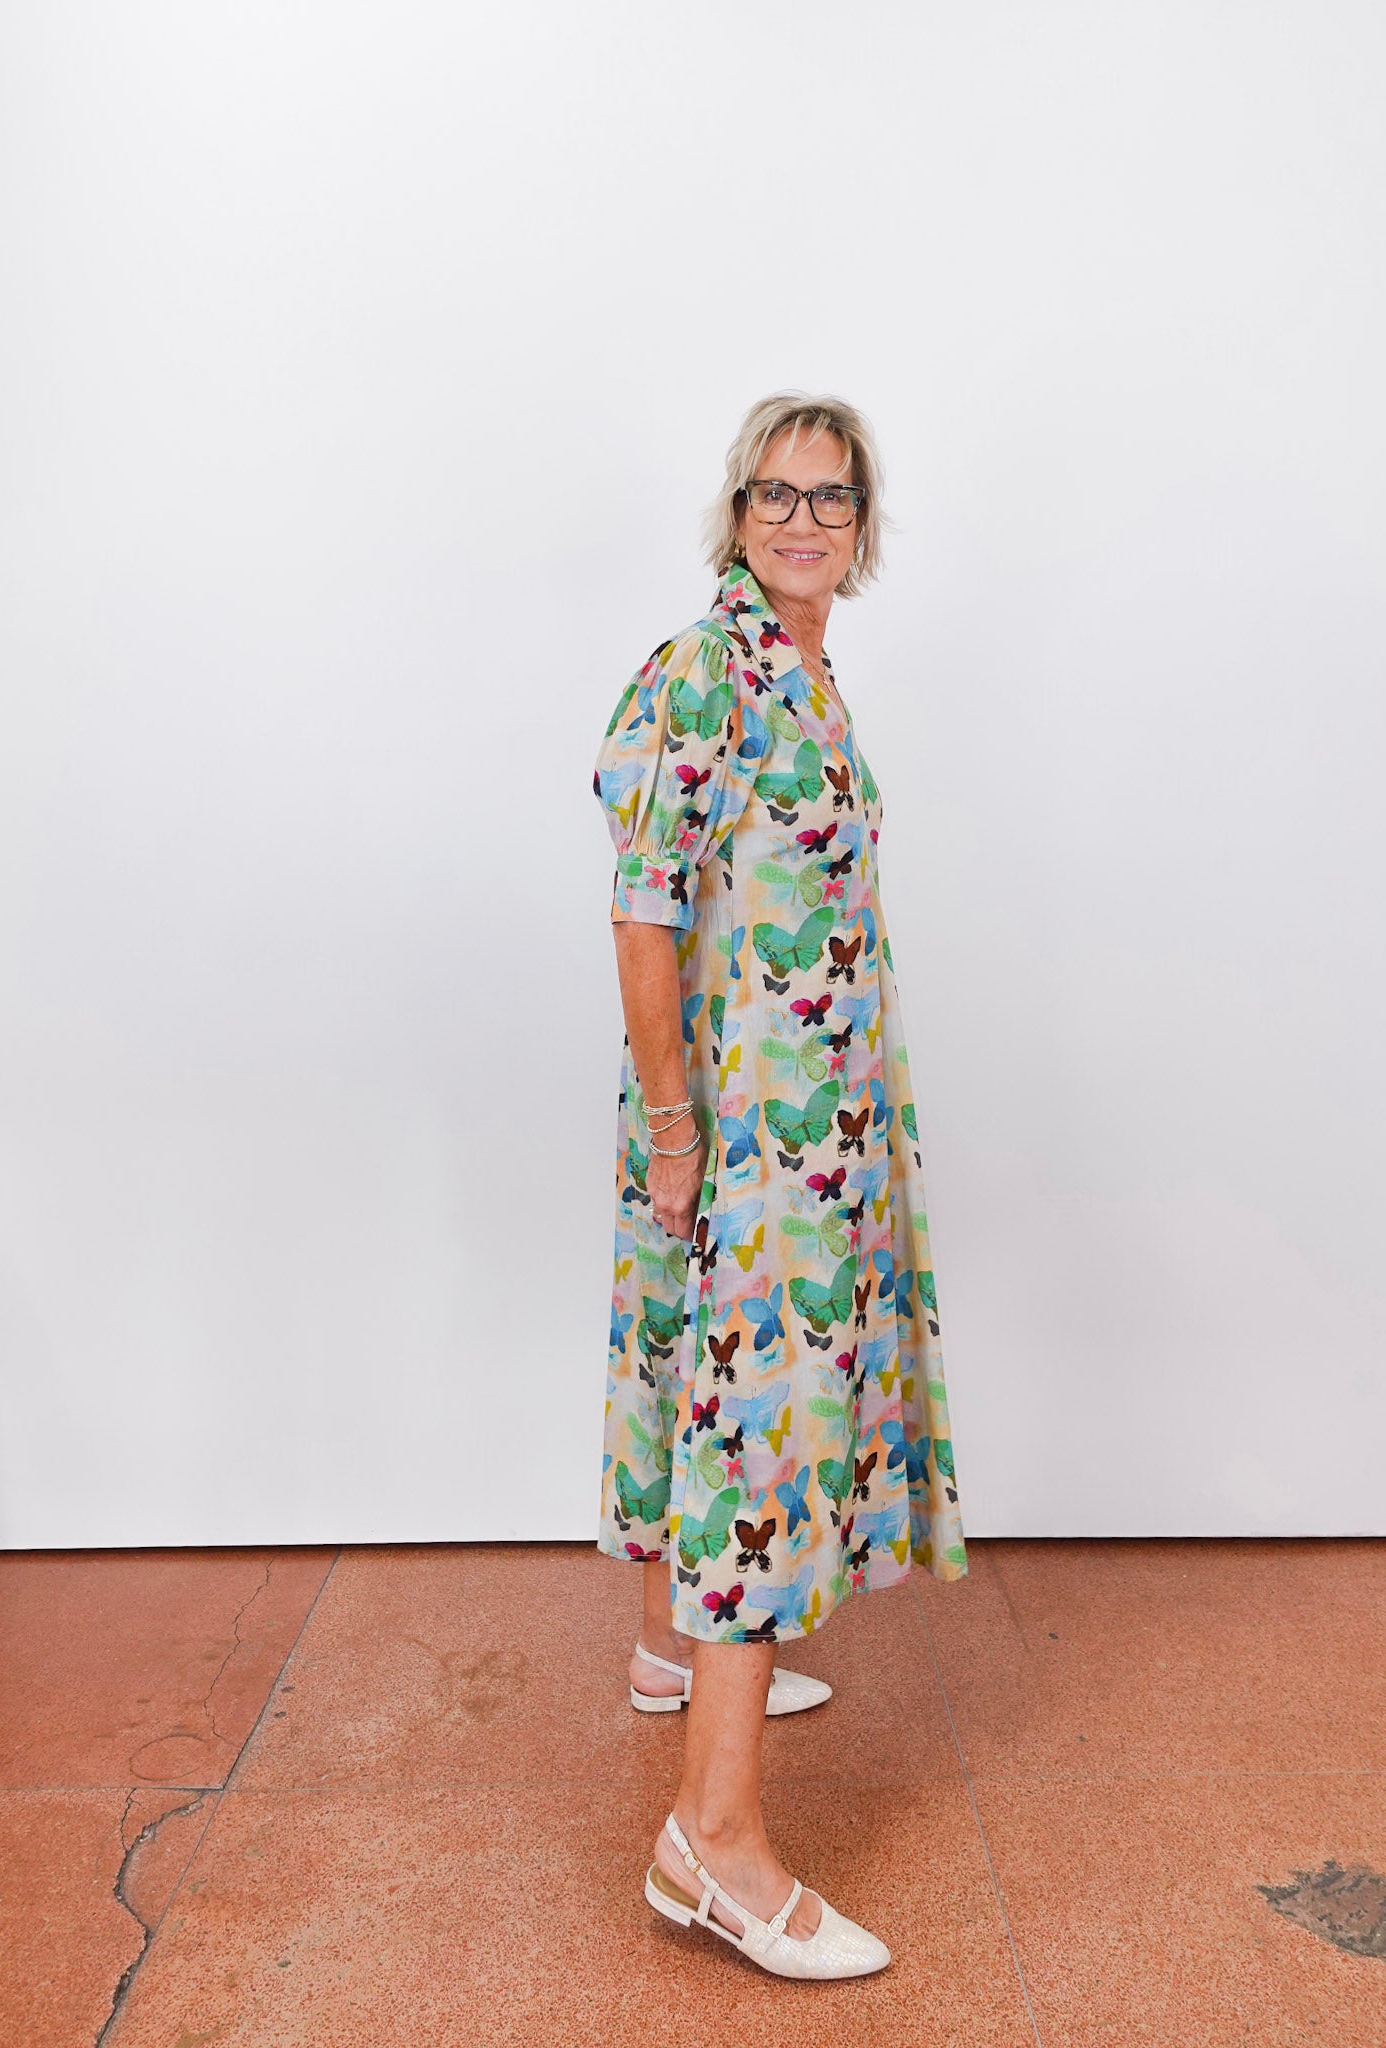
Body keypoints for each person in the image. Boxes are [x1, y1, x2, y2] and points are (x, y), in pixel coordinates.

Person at [591, 391, 967, 1979]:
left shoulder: (810, 670)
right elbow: (645, 914)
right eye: (774, 496)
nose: (801, 521)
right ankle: (715, 1846)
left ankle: (688, 1658)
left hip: (821, 1132)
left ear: (862, 529)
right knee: (762, 1448)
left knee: (729, 1411)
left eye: (829, 500)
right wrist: (679, 1137)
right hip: (748, 1140)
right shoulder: (704, 674)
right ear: (734, 515)